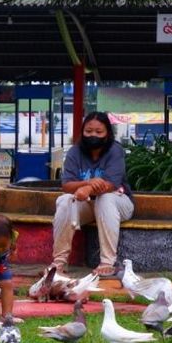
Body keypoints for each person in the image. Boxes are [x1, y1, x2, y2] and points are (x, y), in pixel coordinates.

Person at [50, 111, 134, 277]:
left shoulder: (115, 151)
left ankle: (107, 262)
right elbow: (66, 185)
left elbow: (111, 184)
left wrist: (88, 189)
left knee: (106, 198)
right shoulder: (75, 152)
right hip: (88, 204)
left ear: (108, 133)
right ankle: (58, 263)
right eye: (88, 131)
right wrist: (88, 183)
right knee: (65, 200)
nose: (93, 135)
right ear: (82, 132)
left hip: (118, 203)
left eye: (98, 132)